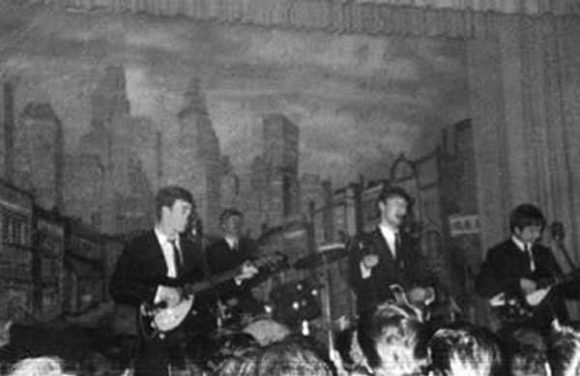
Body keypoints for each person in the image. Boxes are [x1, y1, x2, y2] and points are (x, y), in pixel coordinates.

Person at [109, 186, 204, 376]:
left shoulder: (193, 250)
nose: (189, 216)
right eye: (183, 210)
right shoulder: (138, 247)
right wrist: (157, 292)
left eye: (190, 211)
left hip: (188, 342)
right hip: (149, 340)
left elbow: (206, 288)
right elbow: (117, 286)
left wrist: (237, 279)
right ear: (165, 211)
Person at [348, 186, 436, 367]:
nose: (402, 210)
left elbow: (426, 276)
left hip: (407, 326)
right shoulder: (363, 241)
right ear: (381, 206)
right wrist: (364, 266)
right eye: (396, 204)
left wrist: (427, 292)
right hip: (376, 324)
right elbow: (354, 282)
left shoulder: (411, 243)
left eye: (404, 206)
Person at [475, 203, 577, 335]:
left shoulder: (544, 252)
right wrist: (518, 282)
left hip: (552, 323)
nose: (537, 236)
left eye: (539, 231)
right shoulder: (499, 253)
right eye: (532, 231)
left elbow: (561, 286)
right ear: (517, 230)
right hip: (517, 325)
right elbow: (482, 286)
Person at [205, 208, 260, 326]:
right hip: (226, 305)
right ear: (223, 225)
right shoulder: (213, 251)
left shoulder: (250, 246)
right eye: (232, 221)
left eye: (239, 221)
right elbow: (213, 279)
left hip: (249, 304)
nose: (236, 224)